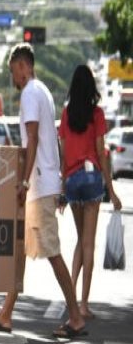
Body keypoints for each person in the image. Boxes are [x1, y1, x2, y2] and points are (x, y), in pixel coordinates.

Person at [0, 43, 86, 339]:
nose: (14, 80)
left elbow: (33, 140)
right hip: (46, 181)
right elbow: (52, 140)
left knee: (52, 253)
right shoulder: (45, 92)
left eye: (15, 72)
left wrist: (24, 183)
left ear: (24, 66)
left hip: (39, 185)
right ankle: (6, 313)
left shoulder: (29, 93)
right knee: (21, 248)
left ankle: (75, 317)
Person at [58, 64, 122, 319]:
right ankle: (83, 304)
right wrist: (112, 190)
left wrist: (63, 189)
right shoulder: (97, 115)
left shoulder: (66, 114)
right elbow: (101, 154)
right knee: (88, 243)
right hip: (92, 178)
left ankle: (71, 299)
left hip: (72, 179)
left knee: (78, 240)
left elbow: (63, 155)